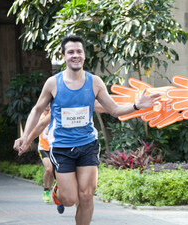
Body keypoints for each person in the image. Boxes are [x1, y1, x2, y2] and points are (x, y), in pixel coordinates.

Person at [13, 35, 161, 225]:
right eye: (71, 52)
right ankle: (59, 190)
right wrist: (25, 137)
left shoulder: (95, 82)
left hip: (88, 145)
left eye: (79, 52)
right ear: (63, 56)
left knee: (86, 195)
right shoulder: (52, 83)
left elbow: (114, 110)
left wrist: (137, 106)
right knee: (70, 199)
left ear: (84, 55)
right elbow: (37, 110)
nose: (75, 55)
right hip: (62, 148)